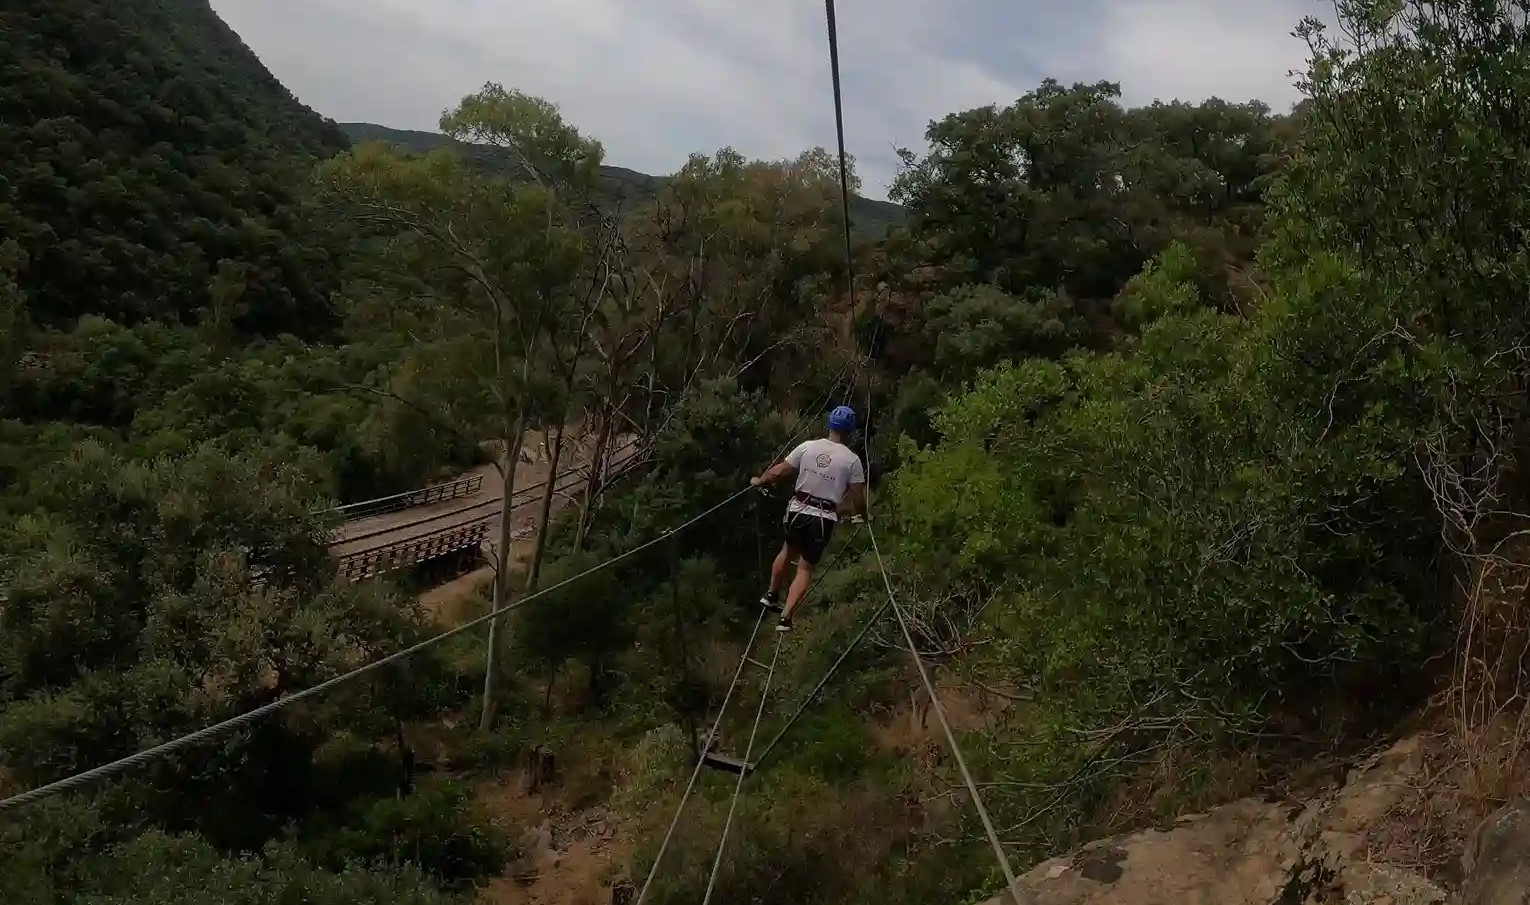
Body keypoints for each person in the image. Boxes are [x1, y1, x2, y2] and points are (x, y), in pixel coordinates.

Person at [749, 405, 866, 632]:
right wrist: (862, 514)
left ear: (829, 424)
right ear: (851, 431)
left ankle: (772, 593)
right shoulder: (852, 461)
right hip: (822, 518)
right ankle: (785, 618)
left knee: (787, 551)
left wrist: (760, 481)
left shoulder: (808, 446)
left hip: (798, 508)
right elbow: (858, 497)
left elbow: (779, 471)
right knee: (805, 568)